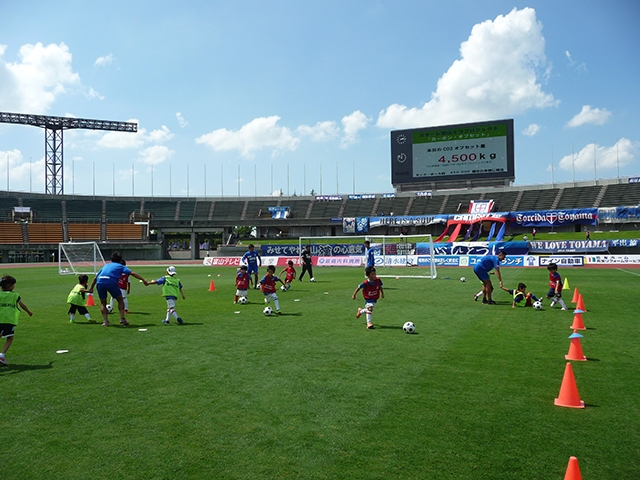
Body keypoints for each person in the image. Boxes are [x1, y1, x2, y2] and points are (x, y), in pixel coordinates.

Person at [89, 252, 148, 327]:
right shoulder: (120, 266)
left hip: (100, 282)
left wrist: (91, 288)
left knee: (103, 303)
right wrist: (144, 280)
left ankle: (106, 321)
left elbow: (95, 278)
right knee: (120, 300)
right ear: (120, 260)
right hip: (111, 282)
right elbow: (132, 273)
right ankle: (122, 319)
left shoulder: (106, 266)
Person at [0, 275, 33, 365]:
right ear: (9, 285)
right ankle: (2, 355)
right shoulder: (15, 295)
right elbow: (22, 305)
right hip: (9, 320)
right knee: (10, 338)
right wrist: (28, 312)